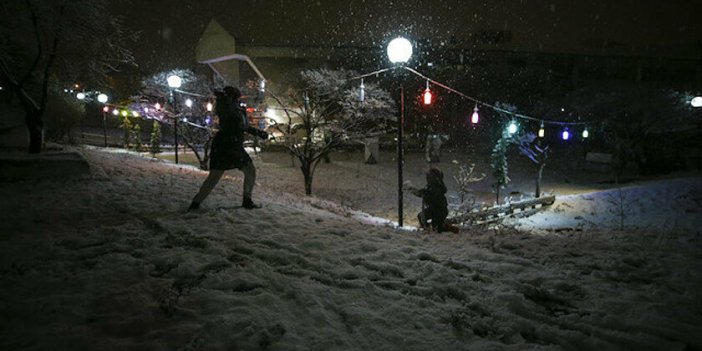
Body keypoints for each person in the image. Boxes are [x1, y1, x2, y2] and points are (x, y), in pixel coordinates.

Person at [188, 86, 268, 210]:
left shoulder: (234, 109)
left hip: (229, 145)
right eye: (236, 97)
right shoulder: (226, 108)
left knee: (247, 171)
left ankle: (196, 203)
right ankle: (196, 203)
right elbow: (239, 125)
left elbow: (243, 126)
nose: (238, 100)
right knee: (216, 176)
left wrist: (258, 132)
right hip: (227, 145)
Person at [408, 167, 457, 233]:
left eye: (429, 176)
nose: (427, 178)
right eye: (427, 176)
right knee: (422, 216)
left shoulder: (437, 187)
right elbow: (422, 192)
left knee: (437, 228)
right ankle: (427, 229)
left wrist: (424, 194)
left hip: (439, 210)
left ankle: (450, 229)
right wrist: (412, 190)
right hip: (432, 209)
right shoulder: (430, 186)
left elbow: (430, 195)